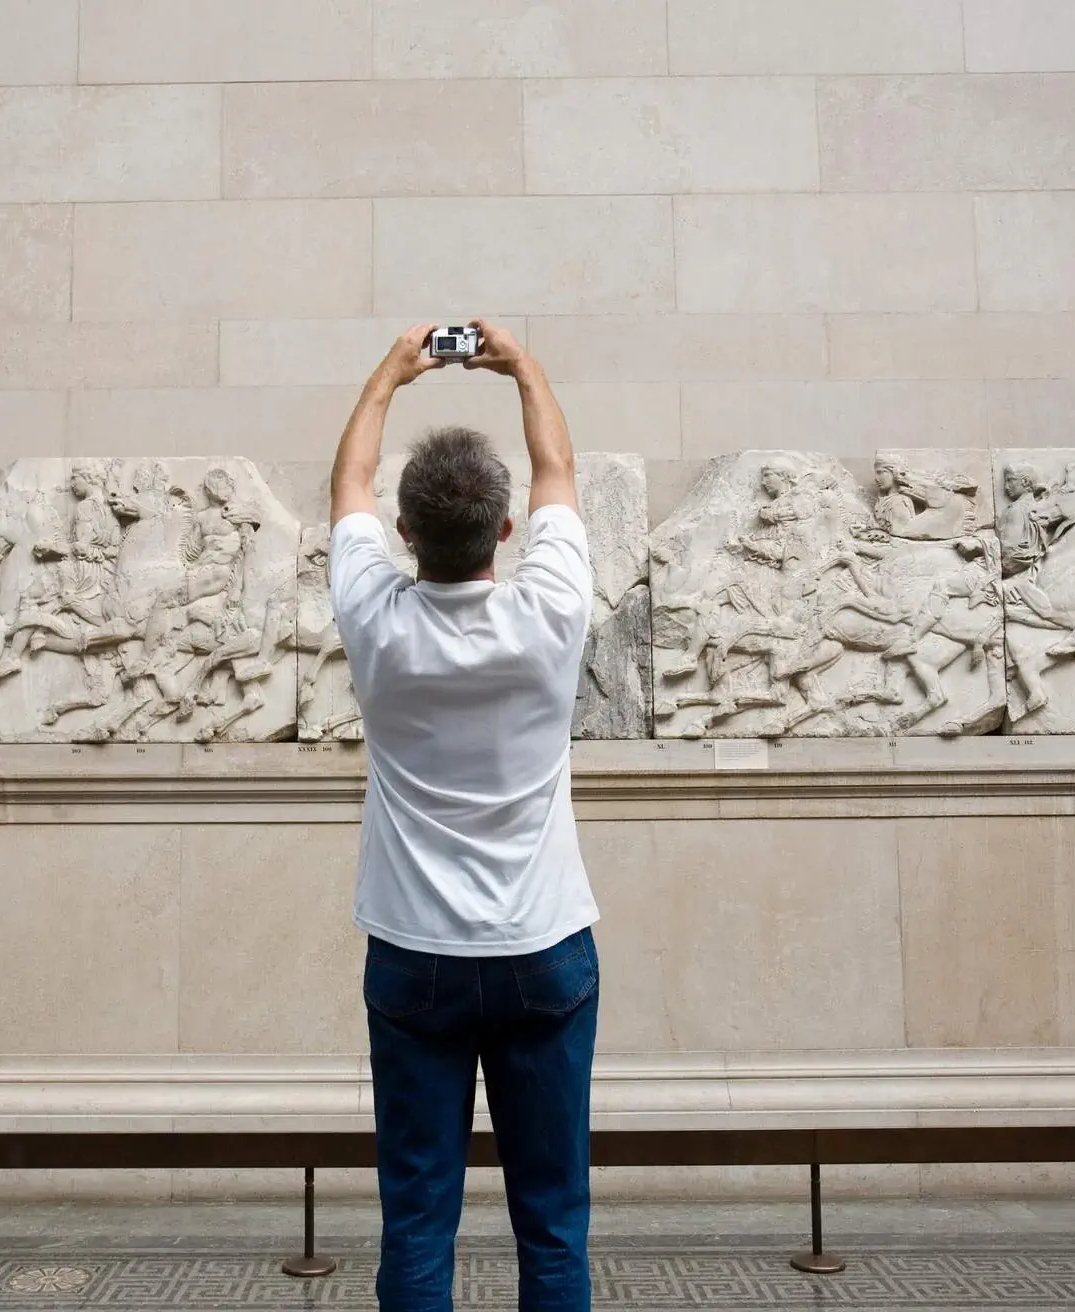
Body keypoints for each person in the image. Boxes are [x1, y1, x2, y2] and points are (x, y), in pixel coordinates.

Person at [327, 320, 601, 1312]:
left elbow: (347, 484)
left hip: (416, 955)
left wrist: (391, 375)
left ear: (405, 538)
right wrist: (525, 361)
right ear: (505, 531)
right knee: (553, 1218)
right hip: (543, 947)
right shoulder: (551, 612)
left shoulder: (376, 620)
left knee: (416, 1216)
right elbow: (559, 464)